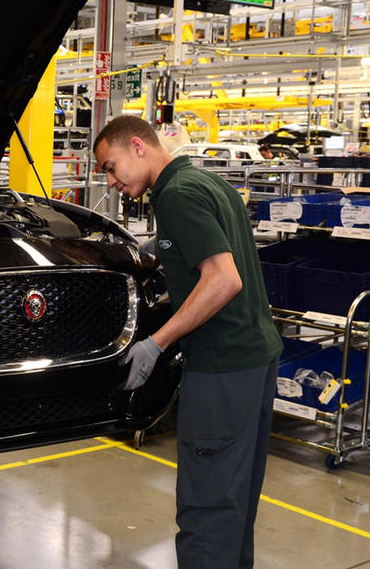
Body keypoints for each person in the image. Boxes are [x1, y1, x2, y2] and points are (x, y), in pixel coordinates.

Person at [93, 115, 282, 568]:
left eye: (110, 166)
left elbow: (223, 280)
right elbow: (208, 245)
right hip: (256, 361)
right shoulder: (203, 182)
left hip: (221, 367)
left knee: (206, 508)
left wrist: (157, 342)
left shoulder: (174, 195)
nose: (111, 180)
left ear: (138, 146)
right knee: (234, 505)